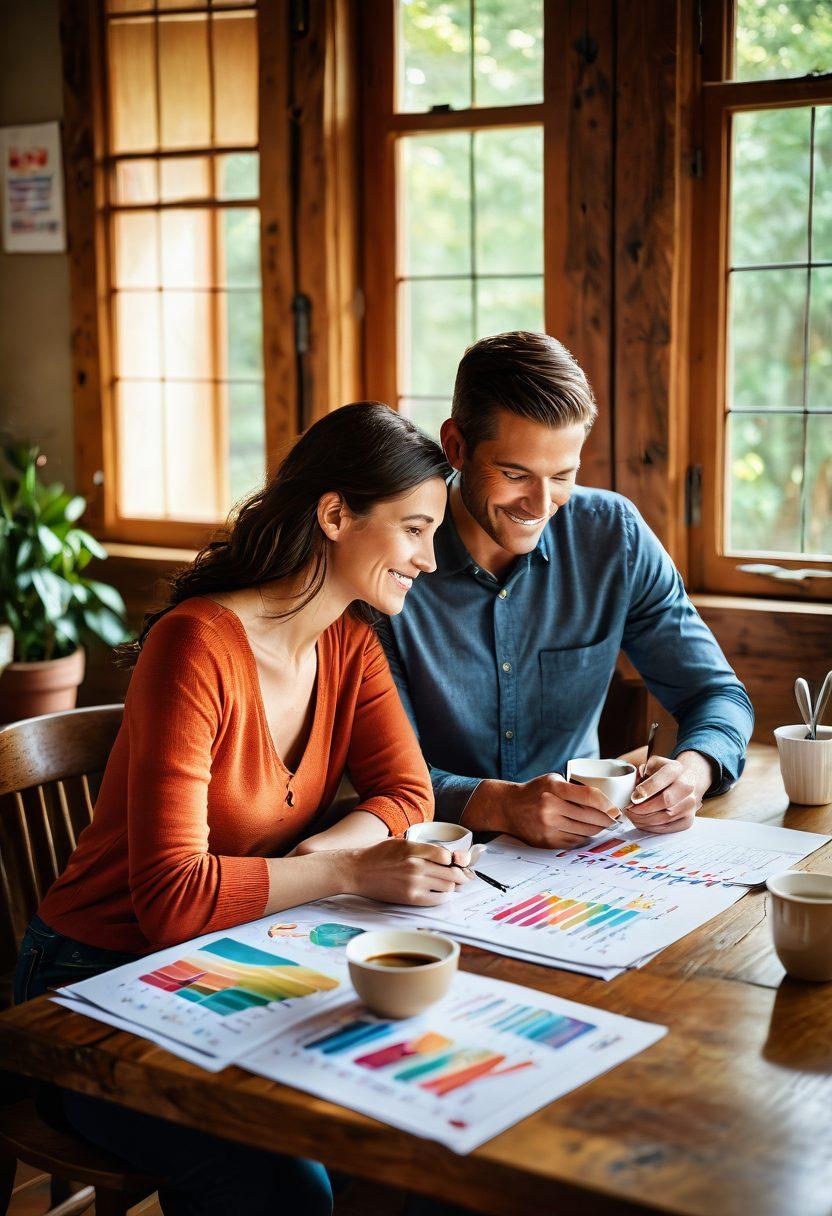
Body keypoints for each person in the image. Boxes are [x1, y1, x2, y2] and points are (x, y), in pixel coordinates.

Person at [14, 401, 472, 1216]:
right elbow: (170, 900)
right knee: (285, 1181)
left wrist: (315, 858)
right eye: (412, 529)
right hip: (86, 990)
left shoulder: (349, 642)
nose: (429, 560)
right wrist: (347, 868)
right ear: (335, 515)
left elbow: (407, 794)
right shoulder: (195, 646)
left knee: (408, 1126)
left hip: (234, 952)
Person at [377, 332, 754, 848]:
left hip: (583, 863)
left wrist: (695, 771)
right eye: (514, 474)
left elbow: (716, 695)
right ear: (456, 447)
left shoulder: (613, 536)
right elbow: (387, 775)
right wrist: (502, 805)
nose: (539, 504)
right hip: (431, 859)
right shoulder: (391, 561)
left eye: (562, 475)